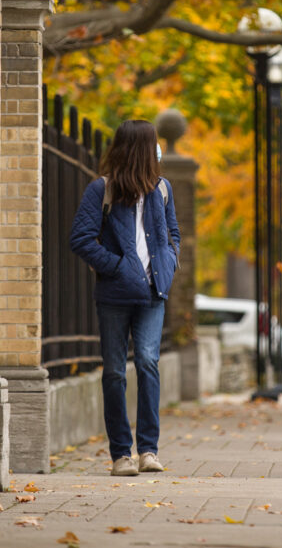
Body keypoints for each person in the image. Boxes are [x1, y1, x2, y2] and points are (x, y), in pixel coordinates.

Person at [69, 120, 180, 477]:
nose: (158, 151)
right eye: (154, 145)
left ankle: (148, 450)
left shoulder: (162, 189)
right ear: (141, 149)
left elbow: (173, 234)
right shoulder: (101, 190)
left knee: (148, 362)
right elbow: (81, 239)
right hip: (115, 295)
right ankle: (121, 454)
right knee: (115, 371)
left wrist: (169, 261)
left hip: (153, 294)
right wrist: (117, 267)